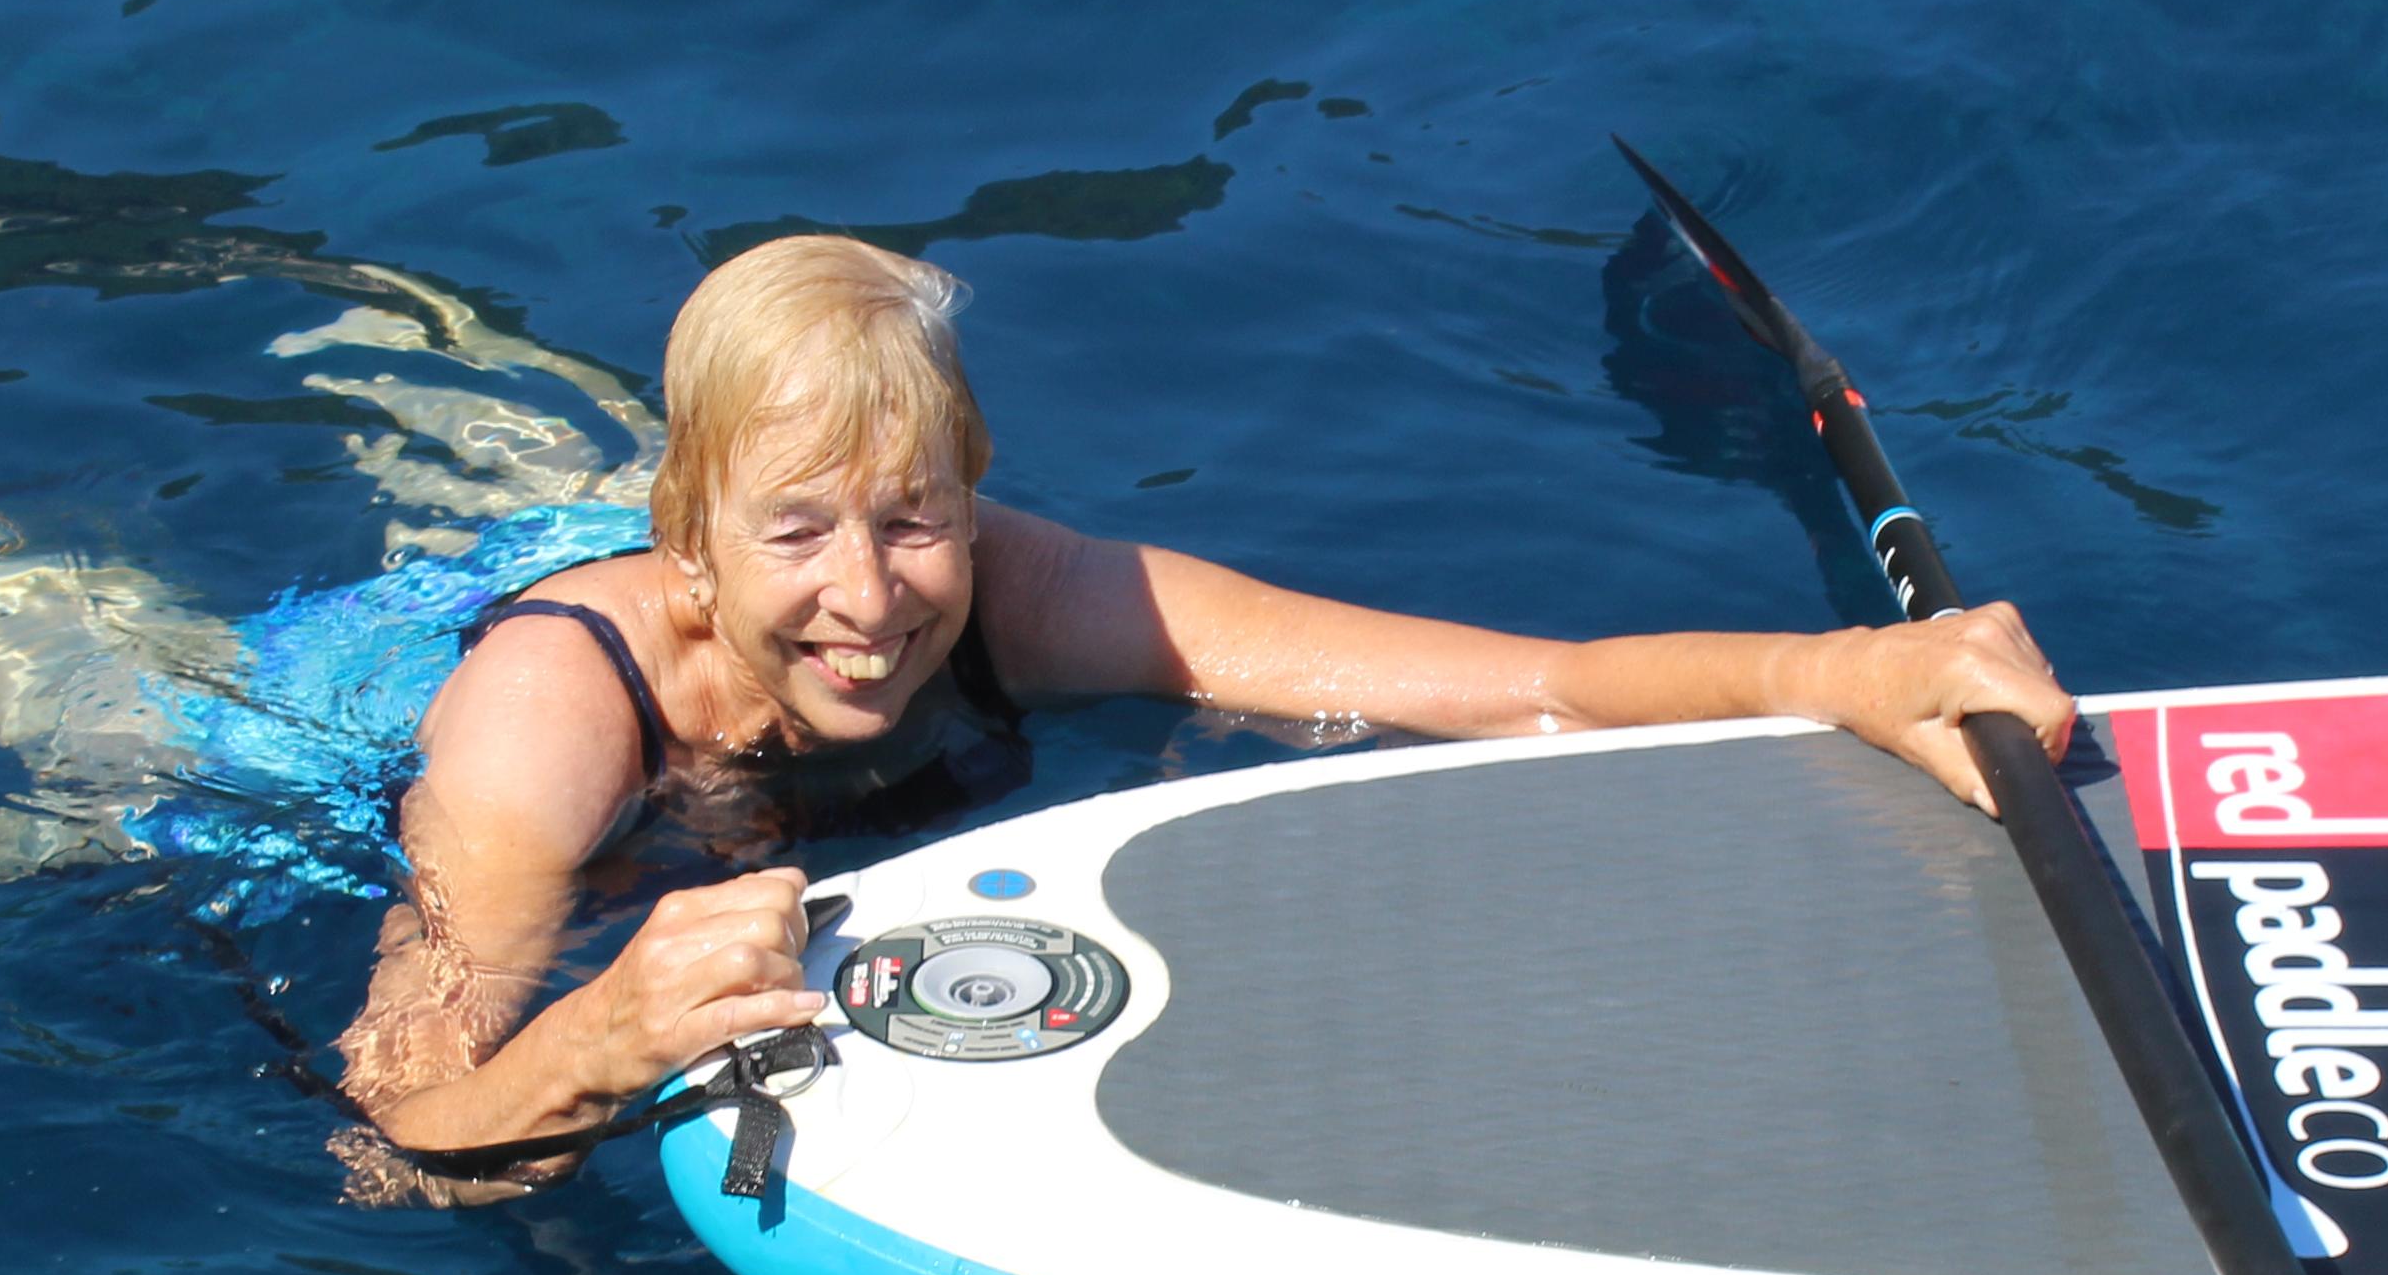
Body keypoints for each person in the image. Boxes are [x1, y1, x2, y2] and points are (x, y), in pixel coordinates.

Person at [331, 236, 2073, 1201]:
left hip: (688, 592)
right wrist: (597, 1041)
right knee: (103, 725)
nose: (870, 600)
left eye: (910, 516)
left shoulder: (1022, 589)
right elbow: (395, 1122)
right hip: (334, 703)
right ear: (690, 545)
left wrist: (1838, 674)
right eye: (799, 533)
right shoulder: (545, 719)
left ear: (977, 494)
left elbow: (1525, 686)